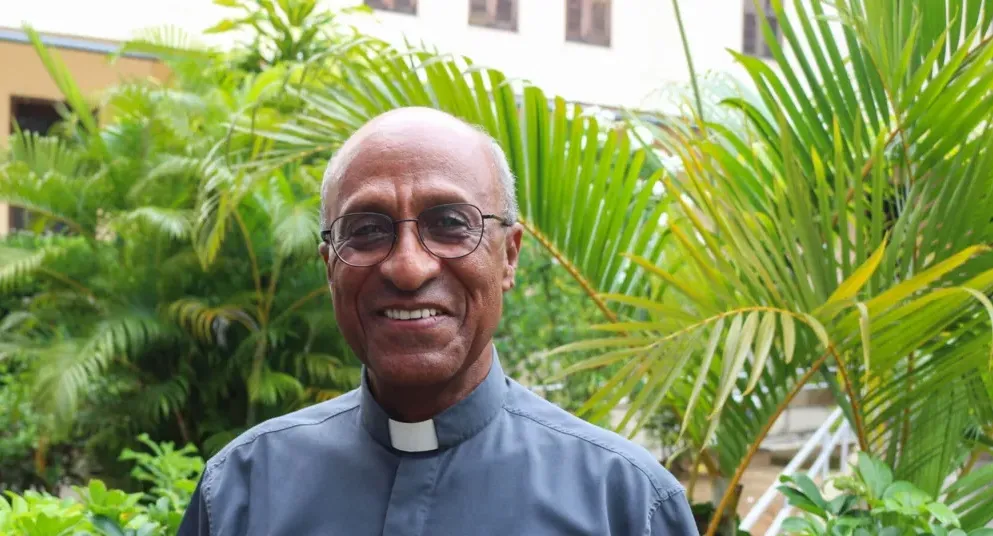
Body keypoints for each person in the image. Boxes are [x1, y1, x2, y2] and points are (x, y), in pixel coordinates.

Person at [177, 107, 698, 535]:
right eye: (366, 229)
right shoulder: (241, 494)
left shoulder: (624, 506)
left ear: (509, 256)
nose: (408, 267)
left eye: (450, 224)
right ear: (329, 265)